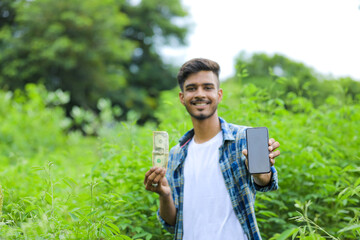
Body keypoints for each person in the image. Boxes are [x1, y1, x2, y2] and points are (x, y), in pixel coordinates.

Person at [144, 58, 280, 240]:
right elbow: (173, 222)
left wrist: (259, 169)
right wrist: (164, 194)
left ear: (219, 94)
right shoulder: (176, 154)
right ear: (182, 97)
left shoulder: (242, 138)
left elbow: (264, 181)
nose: (200, 94)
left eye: (207, 87)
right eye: (192, 88)